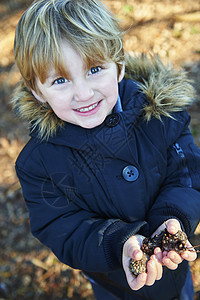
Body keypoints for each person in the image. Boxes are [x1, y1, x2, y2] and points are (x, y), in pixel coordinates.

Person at [11, 0, 200, 299]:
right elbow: (62, 228)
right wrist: (119, 244)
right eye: (60, 80)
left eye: (95, 69)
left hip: (173, 272)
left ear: (119, 66)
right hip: (114, 283)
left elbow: (187, 175)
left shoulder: (161, 115)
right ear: (37, 90)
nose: (83, 93)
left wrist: (172, 218)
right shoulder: (39, 164)